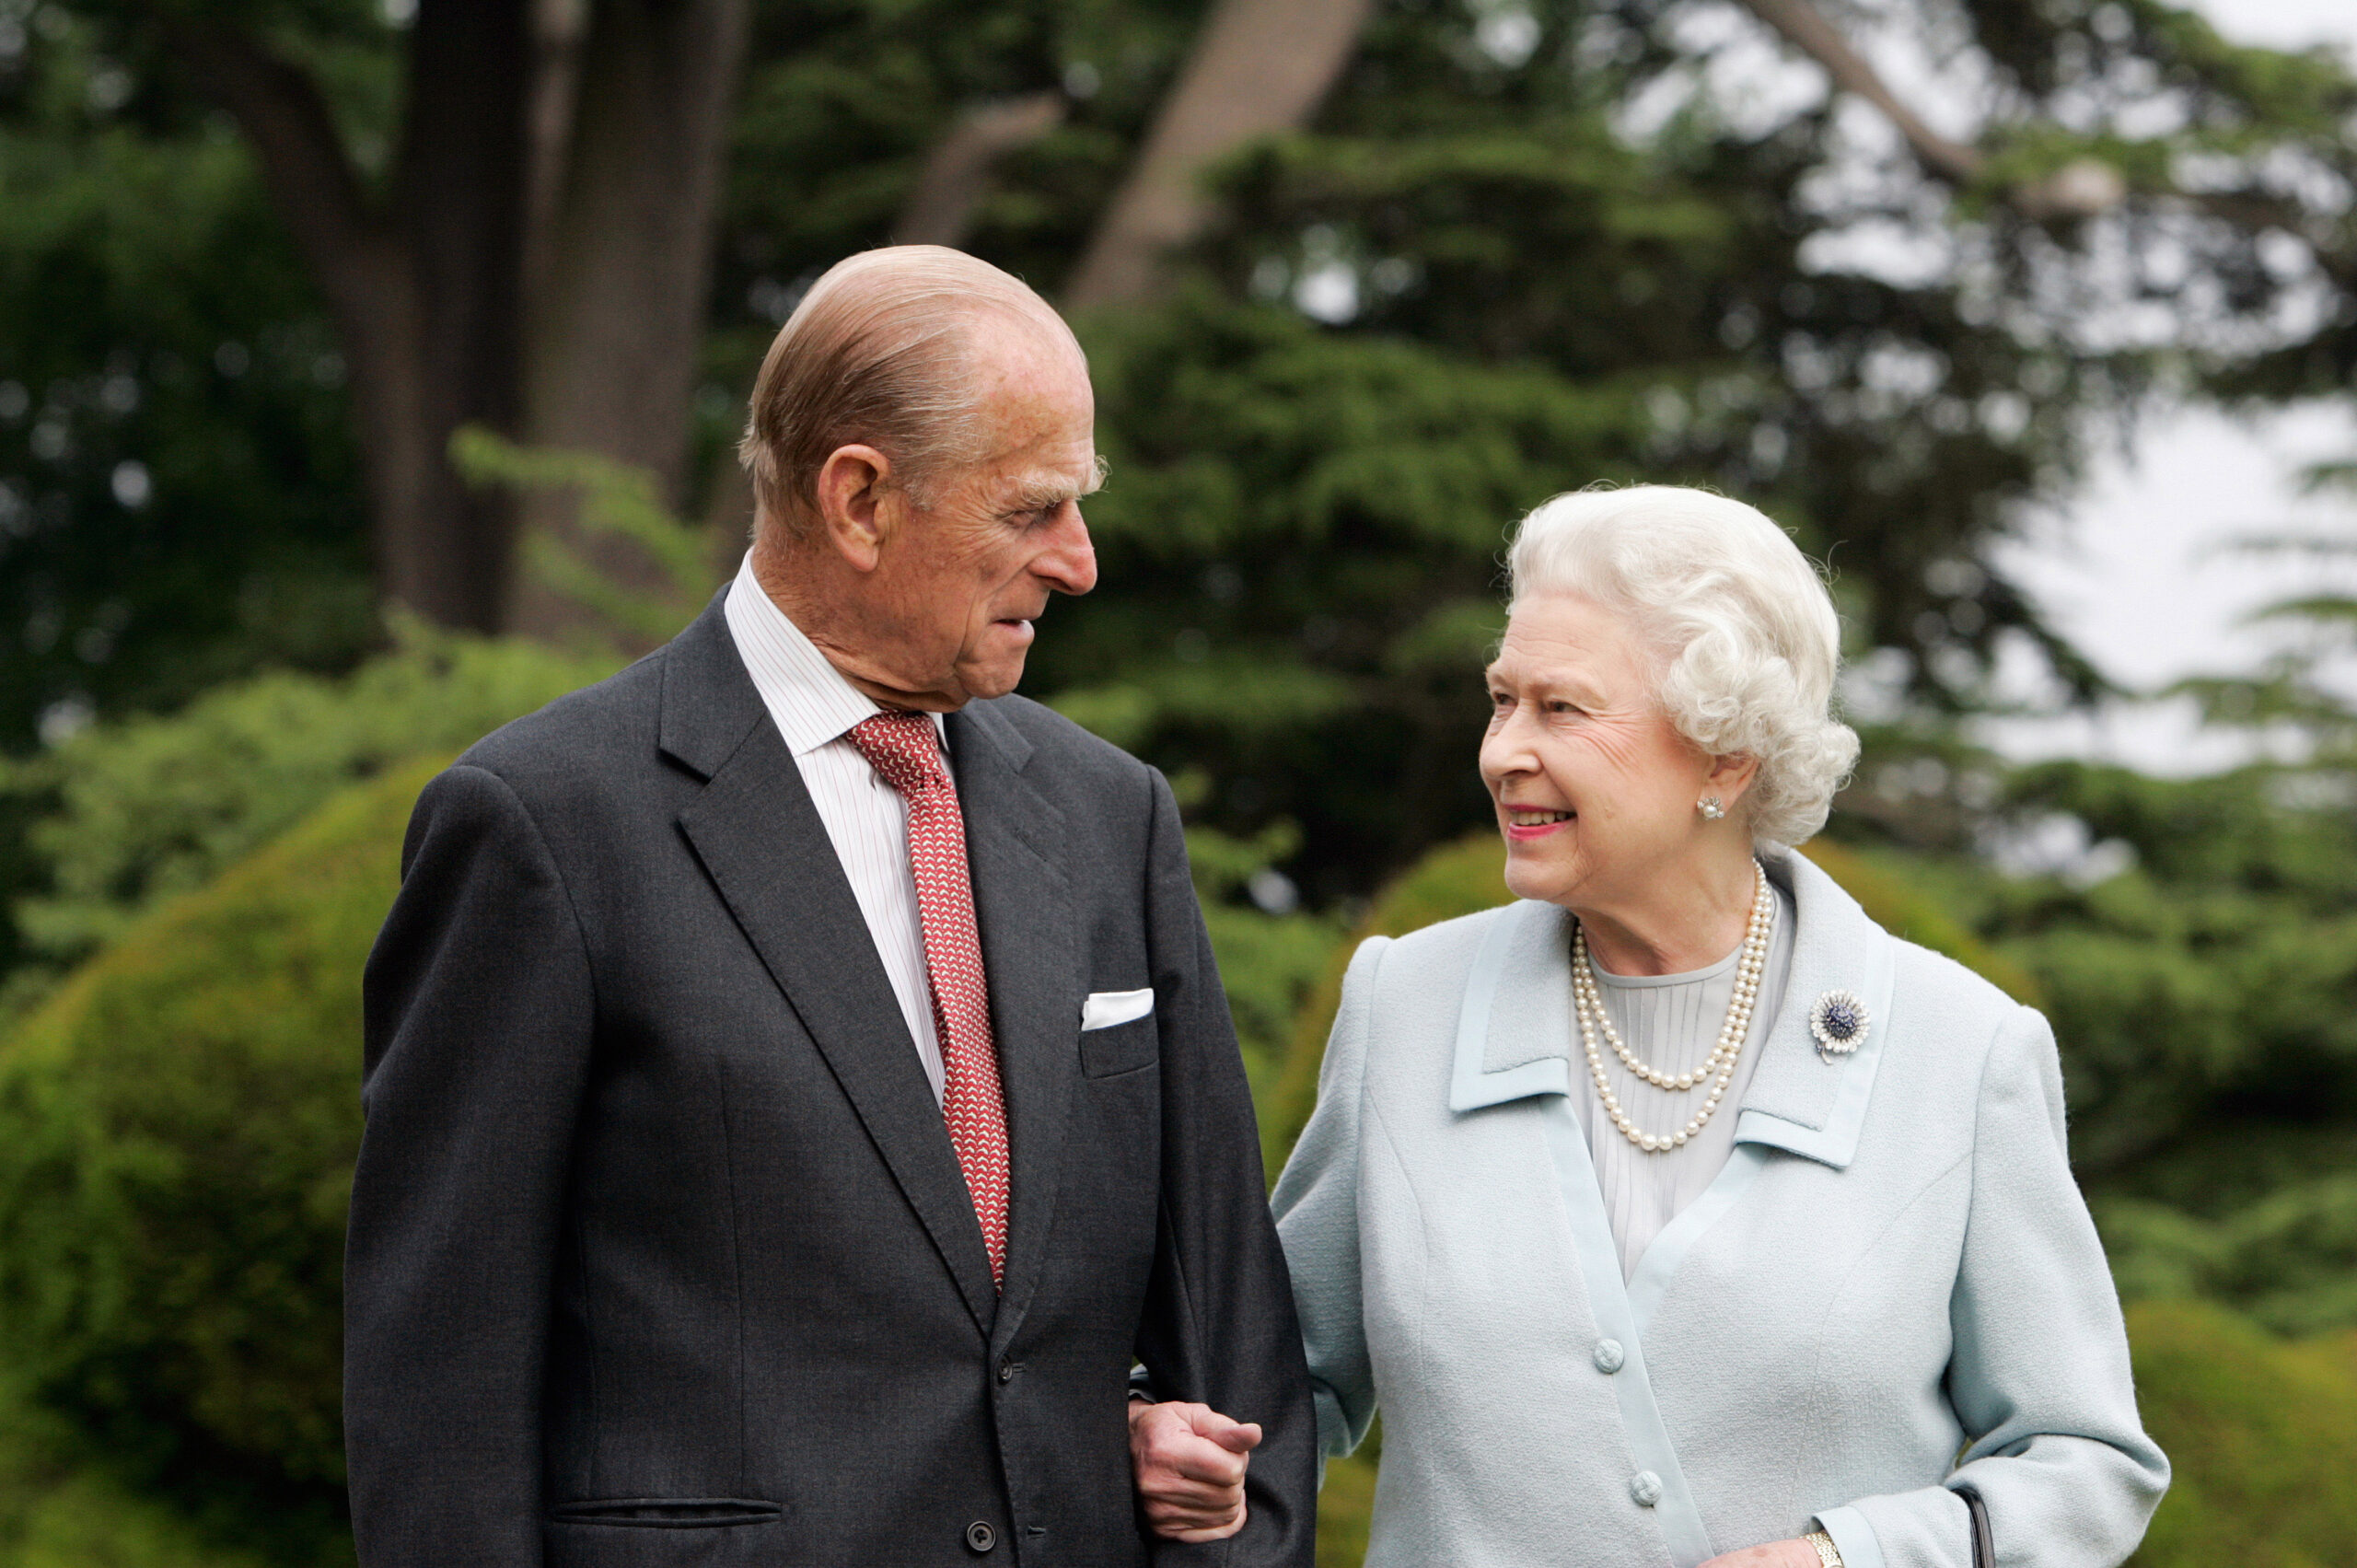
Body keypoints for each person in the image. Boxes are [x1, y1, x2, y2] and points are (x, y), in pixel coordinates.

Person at [347, 246, 1315, 1566]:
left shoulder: (1112, 816)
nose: (1079, 563)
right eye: (1033, 508)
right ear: (860, 499)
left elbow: (1233, 1327)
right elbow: (438, 1389)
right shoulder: (542, 824)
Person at [1271, 485, 2169, 1568]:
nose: (1502, 749)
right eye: (1501, 700)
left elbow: (2086, 1462)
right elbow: (1274, 1386)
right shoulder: (1401, 1006)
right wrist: (1182, 1440)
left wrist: (1857, 1557)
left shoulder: (1961, 1051)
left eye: (1562, 709)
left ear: (1725, 758)